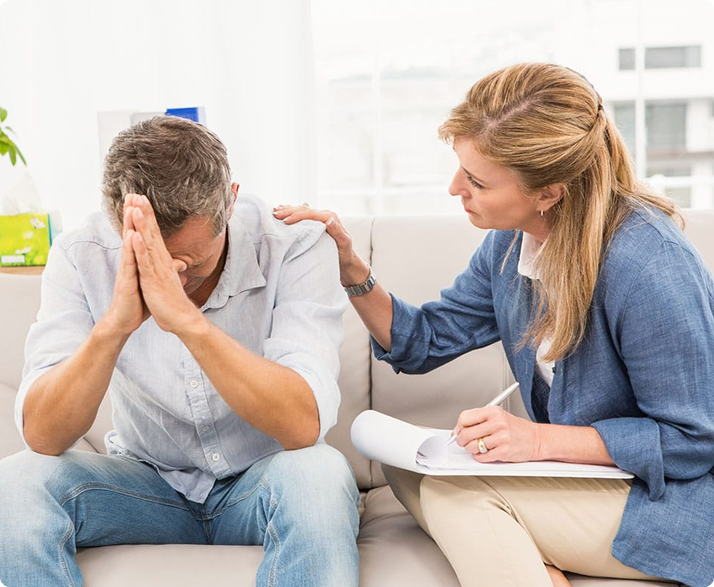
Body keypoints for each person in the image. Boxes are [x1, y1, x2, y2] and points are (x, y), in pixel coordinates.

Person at [273, 62, 714, 587]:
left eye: (477, 181)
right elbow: (422, 342)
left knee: (449, 492)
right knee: (407, 466)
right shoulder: (510, 245)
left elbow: (692, 441)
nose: (454, 188)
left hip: (661, 501)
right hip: (576, 484)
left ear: (549, 192)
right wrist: (354, 271)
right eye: (461, 169)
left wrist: (537, 441)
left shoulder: (650, 265)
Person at [0, 115, 360, 587]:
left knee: (319, 473)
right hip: (144, 487)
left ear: (230, 200)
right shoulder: (81, 253)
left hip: (264, 482)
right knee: (16, 483)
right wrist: (114, 327)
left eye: (192, 263)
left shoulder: (296, 244)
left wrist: (187, 322)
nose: (174, 277)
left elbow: (302, 425)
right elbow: (43, 436)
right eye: (155, 259)